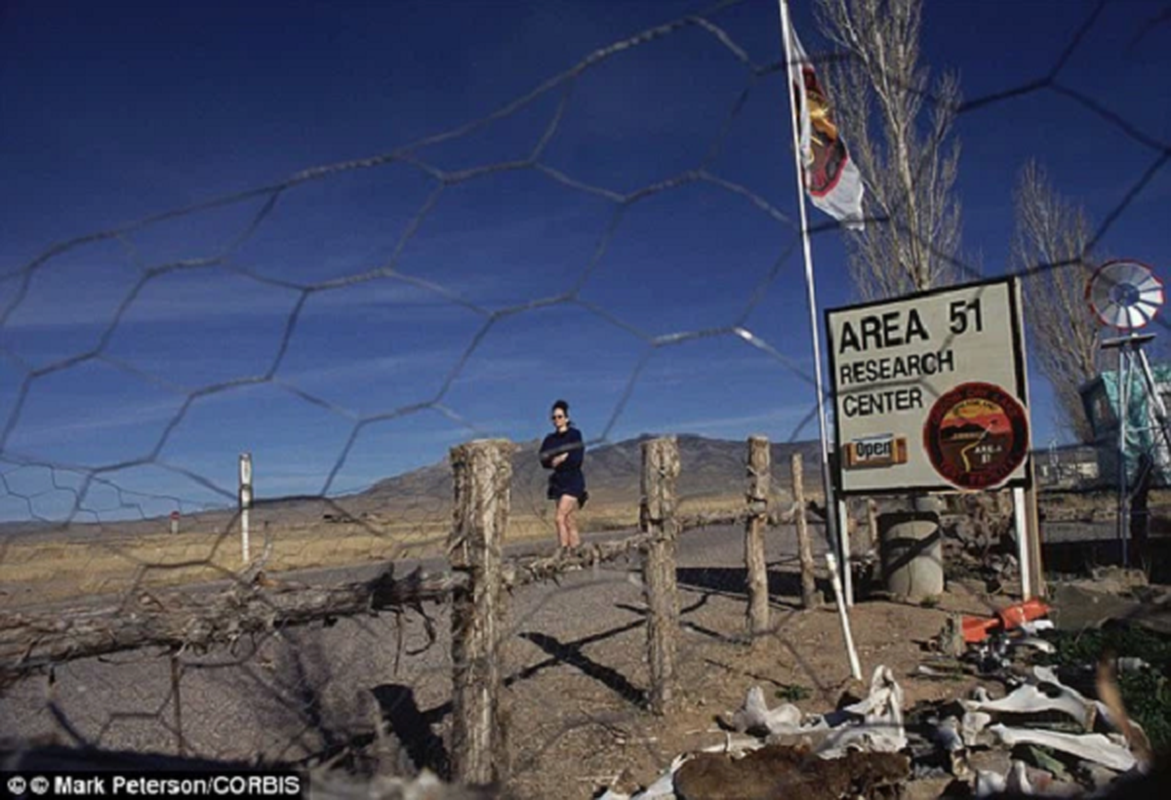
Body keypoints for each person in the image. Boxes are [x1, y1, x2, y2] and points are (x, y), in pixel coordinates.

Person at [539, 399, 587, 550]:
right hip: (558, 483)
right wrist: (559, 458)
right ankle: (577, 554)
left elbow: (577, 458)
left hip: (573, 481)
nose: (556, 420)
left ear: (566, 418)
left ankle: (564, 553)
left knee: (559, 518)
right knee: (569, 520)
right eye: (554, 417)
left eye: (559, 416)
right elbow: (543, 459)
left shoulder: (574, 435)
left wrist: (558, 460)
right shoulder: (550, 439)